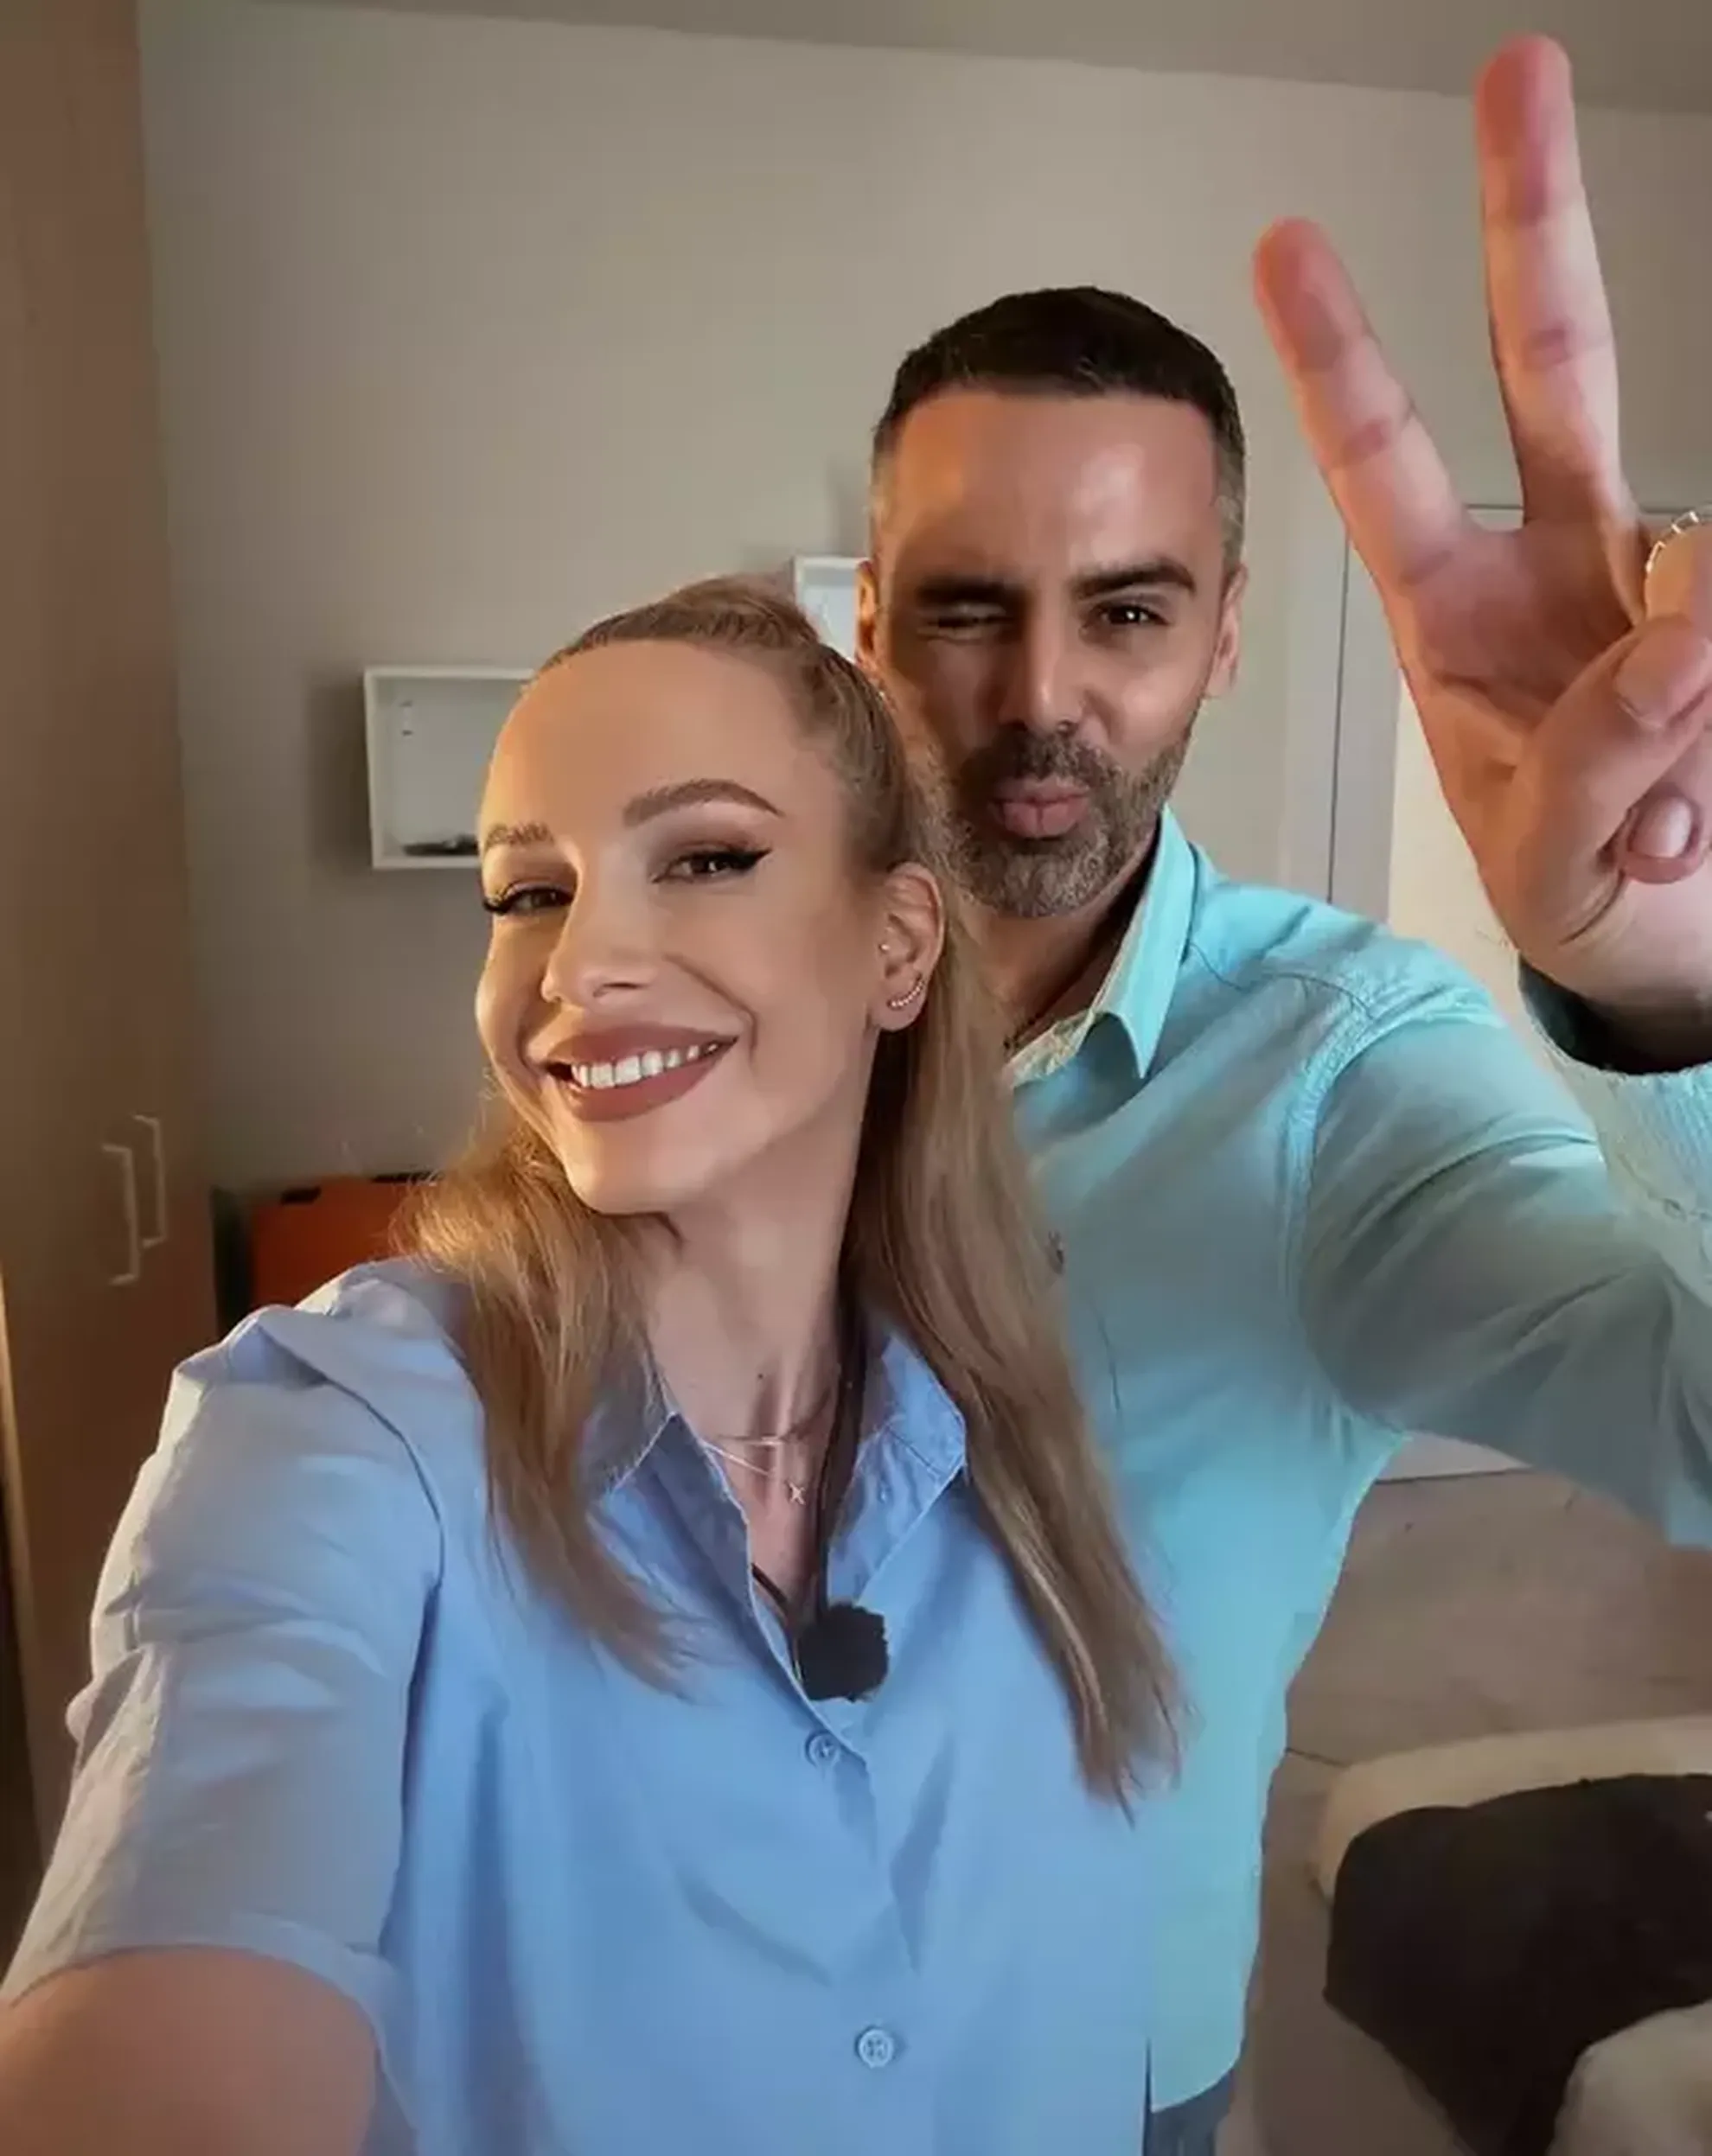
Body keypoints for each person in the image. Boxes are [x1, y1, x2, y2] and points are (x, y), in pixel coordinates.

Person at [0, 583, 1174, 2154]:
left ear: (898, 944)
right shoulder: (330, 1440)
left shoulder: (1021, 1434)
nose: (580, 964)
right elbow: (184, 1954)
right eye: (528, 891)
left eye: (706, 857)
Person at [857, 34, 1712, 2156]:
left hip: (1097, 2060)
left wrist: (1667, 1005)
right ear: (869, 624)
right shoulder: (725, 1003)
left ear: (1226, 634)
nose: (1044, 694)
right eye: (967, 607)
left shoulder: (1342, 1071)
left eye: (1127, 610)